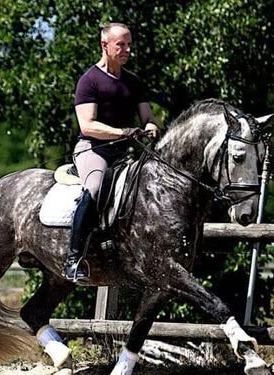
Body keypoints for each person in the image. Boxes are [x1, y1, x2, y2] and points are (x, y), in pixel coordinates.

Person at [64, 23, 160, 282]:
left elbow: (148, 116)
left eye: (129, 44)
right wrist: (122, 133)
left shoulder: (134, 82)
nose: (127, 49)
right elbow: (88, 125)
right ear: (105, 45)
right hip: (93, 150)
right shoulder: (89, 80)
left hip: (125, 154)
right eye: (121, 45)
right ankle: (73, 259)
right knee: (94, 189)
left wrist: (151, 127)